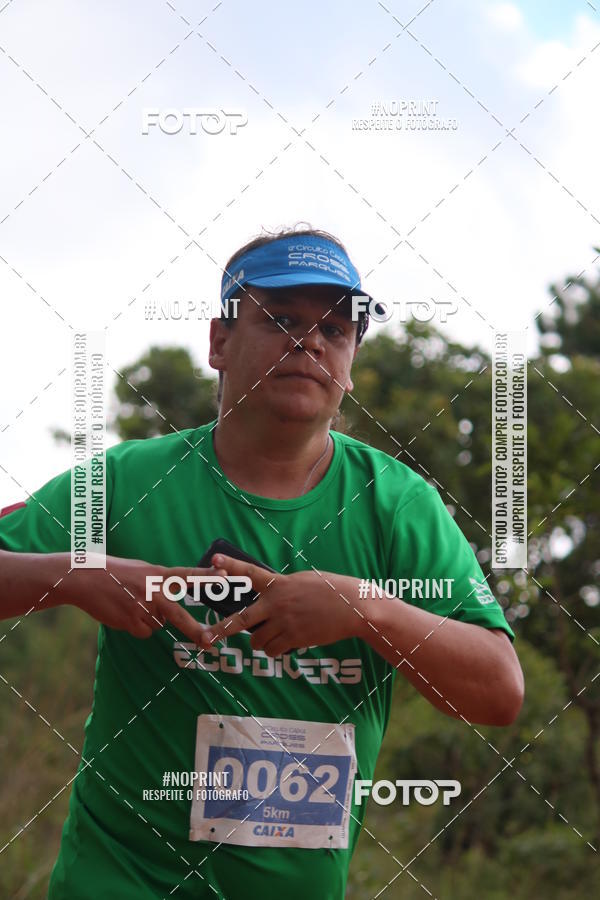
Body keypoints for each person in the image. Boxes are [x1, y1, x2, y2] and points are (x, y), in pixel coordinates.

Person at [0, 226, 524, 899]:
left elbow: (499, 692)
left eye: (335, 329)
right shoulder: (129, 481)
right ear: (219, 341)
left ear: (352, 359)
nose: (309, 342)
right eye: (281, 319)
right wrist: (73, 575)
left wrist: (365, 610)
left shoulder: (398, 506)